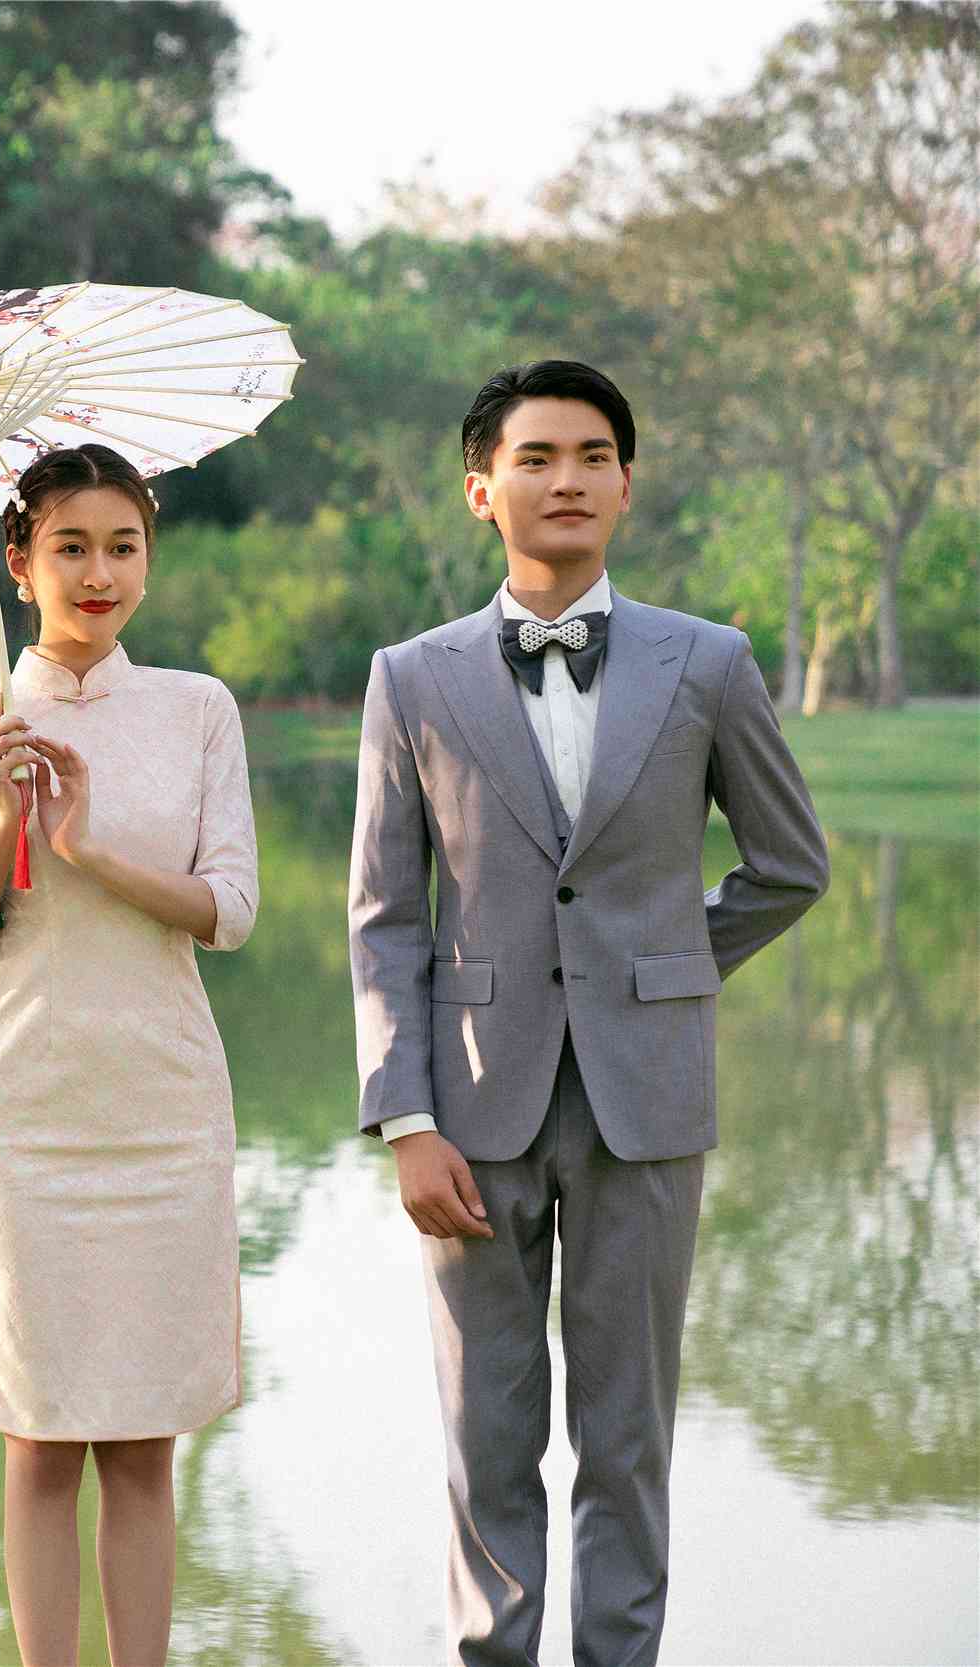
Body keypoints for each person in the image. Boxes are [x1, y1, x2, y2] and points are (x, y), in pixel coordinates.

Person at [347, 360, 829, 1666]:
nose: (567, 479)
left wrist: (662, 967)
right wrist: (403, 1117)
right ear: (480, 488)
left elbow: (790, 864)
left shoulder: (708, 662)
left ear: (625, 483)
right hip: (468, 1107)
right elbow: (384, 917)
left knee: (628, 1437)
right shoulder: (411, 676)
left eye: (593, 456)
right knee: (485, 1435)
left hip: (646, 1099)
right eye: (537, 456)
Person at [0, 441, 259, 1667]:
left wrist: (84, 844)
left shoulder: (198, 708)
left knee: (144, 1445)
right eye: (70, 546)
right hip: (26, 1120)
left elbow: (230, 911)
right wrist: (1, 822)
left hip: (164, 1108)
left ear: (149, 560)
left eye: (123, 546)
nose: (98, 572)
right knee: (40, 1440)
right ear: (18, 562)